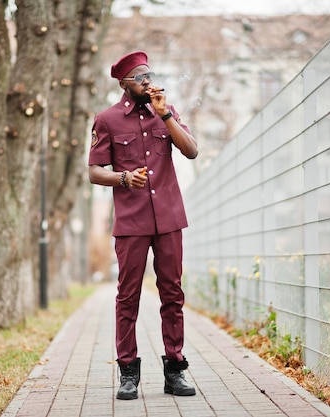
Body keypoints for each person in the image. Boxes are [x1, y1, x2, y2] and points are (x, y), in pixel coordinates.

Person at [88, 51, 198, 401]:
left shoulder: (166, 111)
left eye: (150, 75)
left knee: (172, 294)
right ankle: (128, 373)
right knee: (128, 297)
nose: (148, 82)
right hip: (131, 223)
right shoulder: (106, 120)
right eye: (140, 78)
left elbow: (192, 151)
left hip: (168, 219)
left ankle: (175, 369)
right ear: (125, 84)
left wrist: (165, 113)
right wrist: (122, 178)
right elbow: (94, 171)